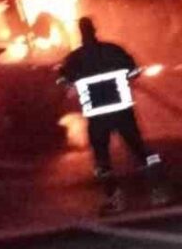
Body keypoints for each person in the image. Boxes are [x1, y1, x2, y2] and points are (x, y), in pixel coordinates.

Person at [58, 17, 170, 214]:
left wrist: (75, 84)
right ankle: (159, 191)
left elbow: (63, 82)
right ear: (94, 30)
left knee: (102, 161)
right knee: (141, 151)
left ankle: (115, 199)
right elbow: (134, 72)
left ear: (80, 33)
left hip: (97, 116)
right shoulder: (114, 50)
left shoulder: (74, 59)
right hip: (122, 111)